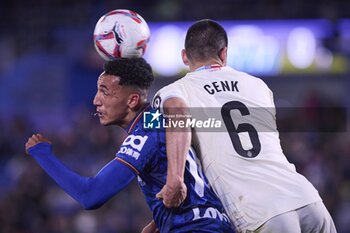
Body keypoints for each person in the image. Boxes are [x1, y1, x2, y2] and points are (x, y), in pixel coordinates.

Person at [152, 19, 337, 233]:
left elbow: (175, 112)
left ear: (184, 56)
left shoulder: (176, 91)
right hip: (307, 200)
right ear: (224, 53)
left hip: (260, 210)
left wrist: (174, 179)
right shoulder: (258, 85)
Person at [25, 58, 234, 233]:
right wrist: (160, 221)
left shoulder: (145, 132)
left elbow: (91, 195)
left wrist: (42, 154)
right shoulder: (157, 120)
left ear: (132, 100)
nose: (95, 100)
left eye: (104, 92)